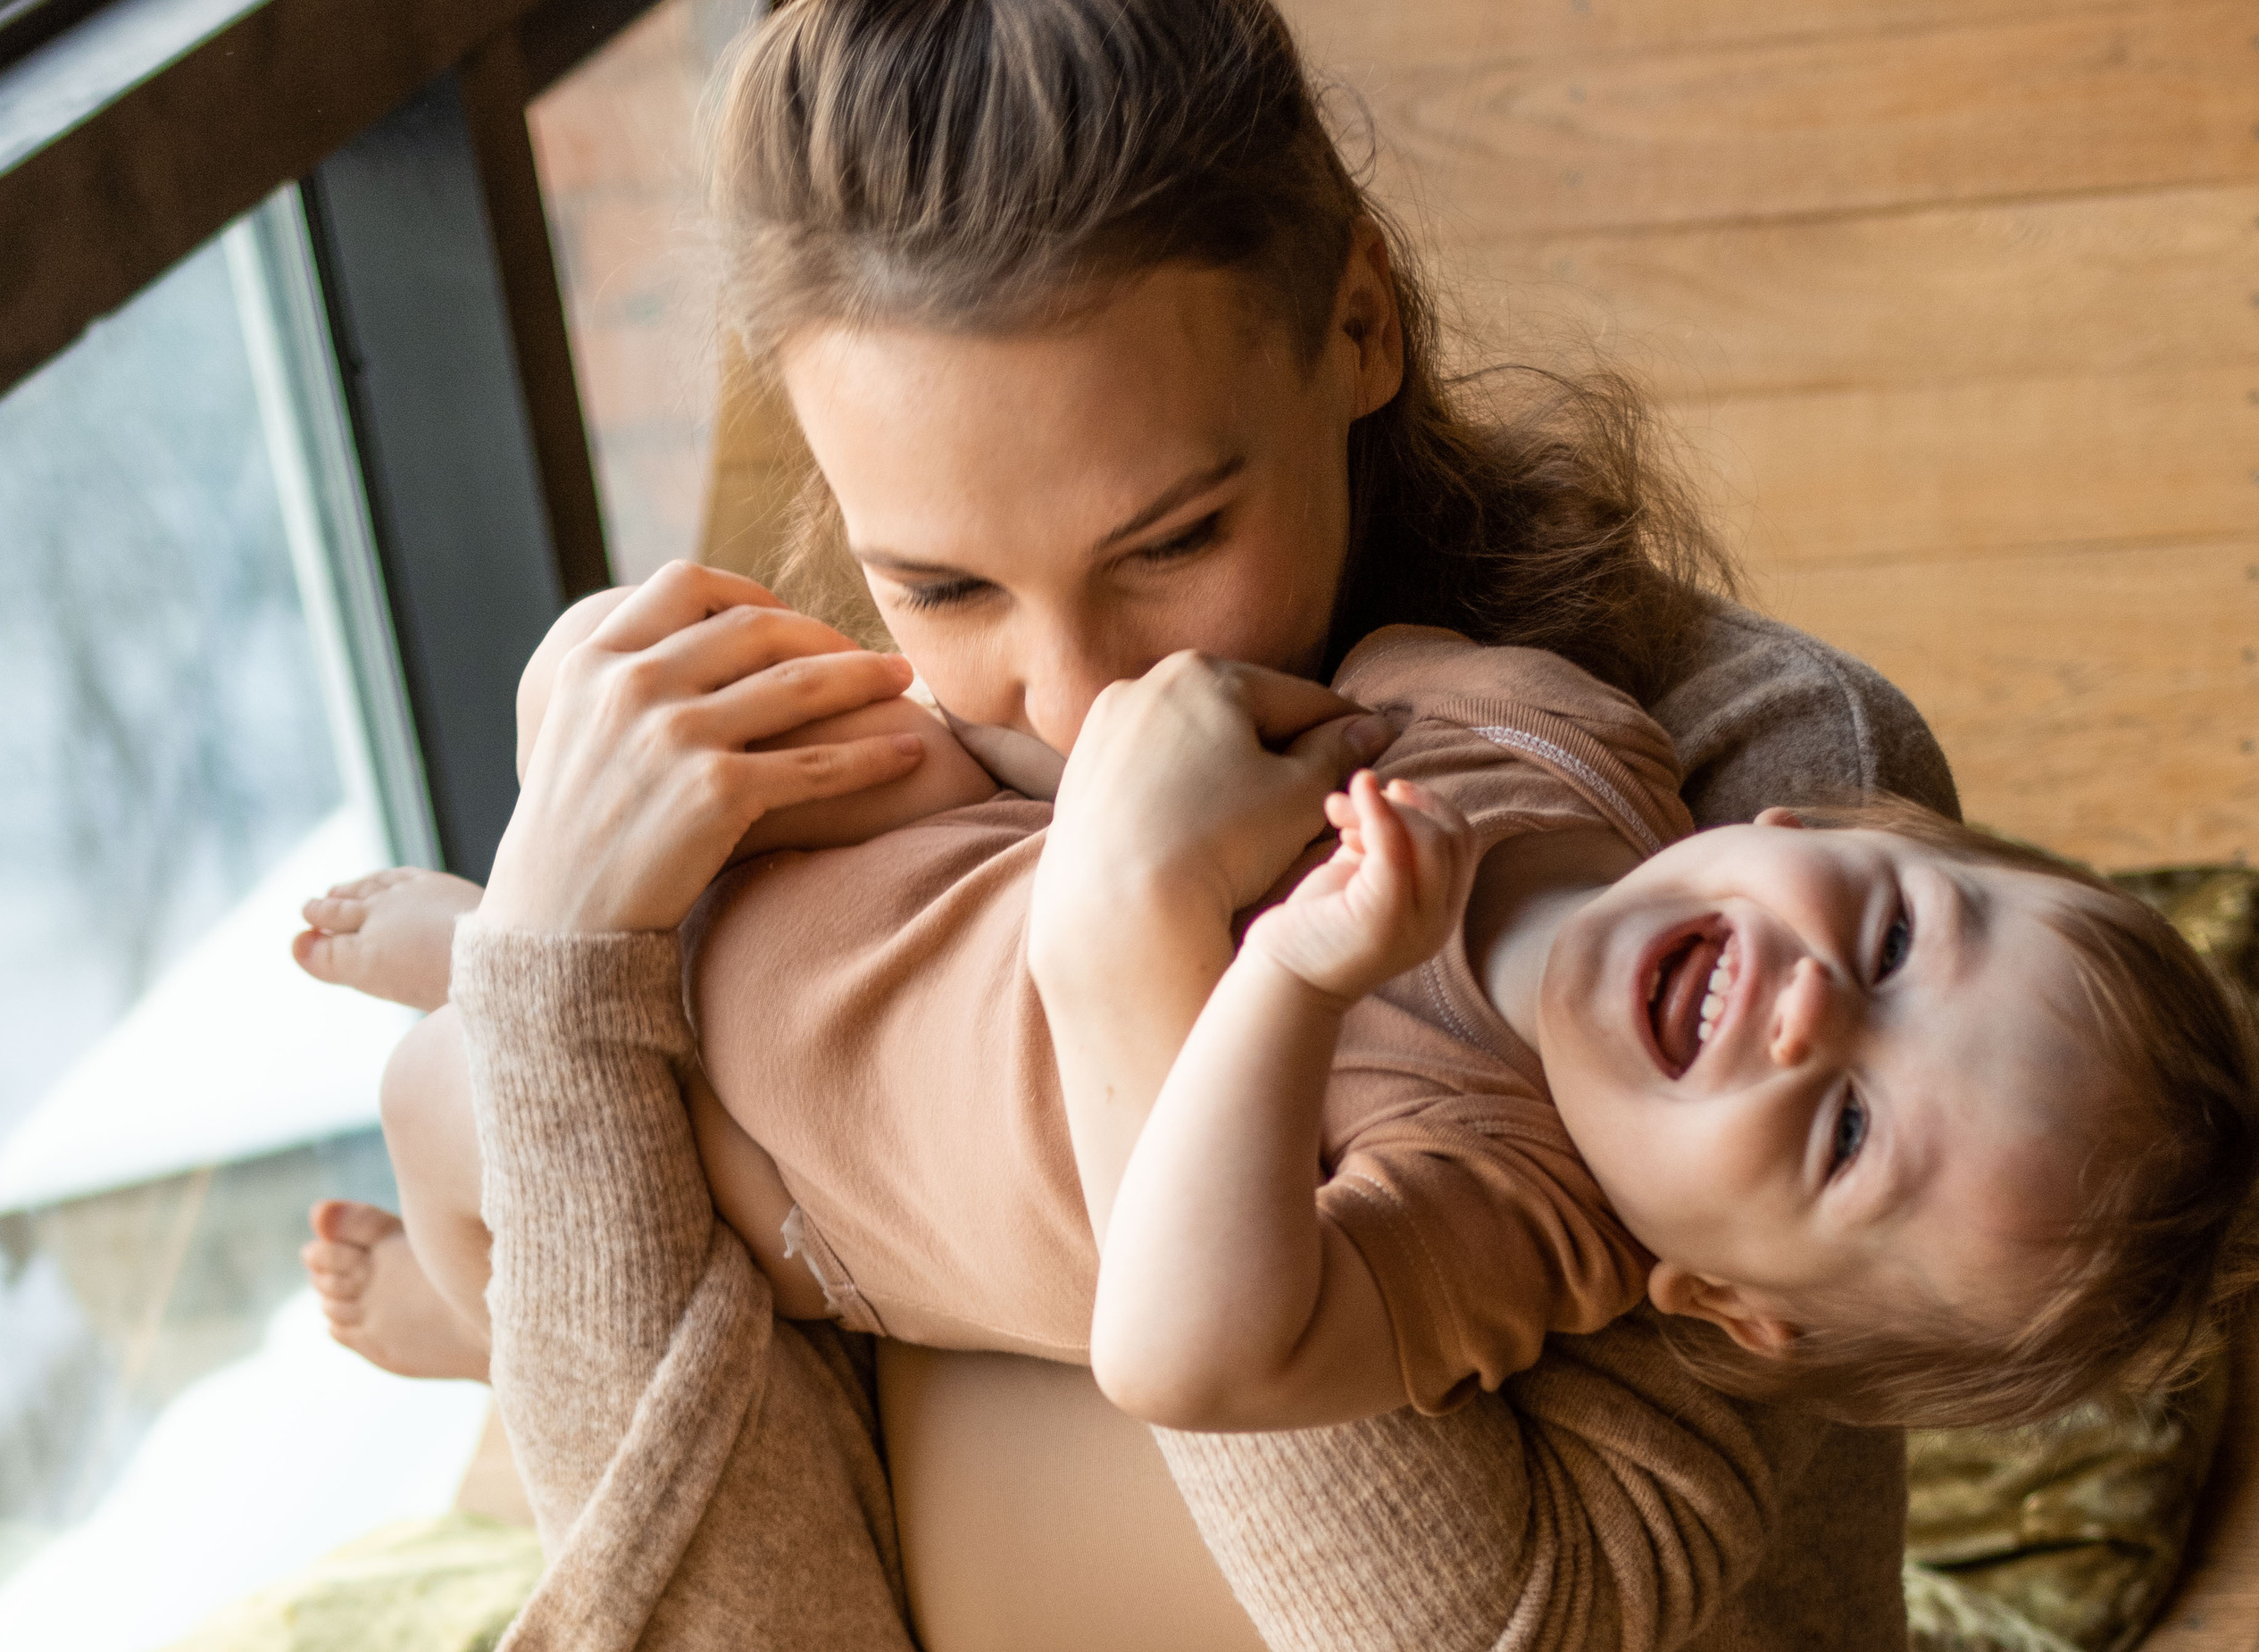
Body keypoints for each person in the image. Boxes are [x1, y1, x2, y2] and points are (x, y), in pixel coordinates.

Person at [285, 0, 2136, 1644]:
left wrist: (1120, 963)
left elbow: (1429, 1610)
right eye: (935, 583)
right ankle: (511, 1295)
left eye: (1168, 542)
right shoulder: (994, 732)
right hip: (853, 1289)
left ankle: (522, 1322)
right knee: (490, 1072)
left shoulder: (1755, 791)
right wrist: (550, 943)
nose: (1079, 696)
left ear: (1355, 321)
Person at [305, 616, 2255, 1441]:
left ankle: (471, 1315)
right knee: (675, 692)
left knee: (457, 1103)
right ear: (1812, 826)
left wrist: (1299, 977)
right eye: (1899, 938)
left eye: (1842, 1138)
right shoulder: (1559, 735)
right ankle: (519, 920)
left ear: (1722, 1299)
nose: (1817, 1008)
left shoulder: (1516, 1216)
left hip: (787, 1172)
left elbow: (1186, 1354)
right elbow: (1255, 690)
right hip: (937, 864)